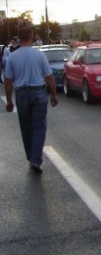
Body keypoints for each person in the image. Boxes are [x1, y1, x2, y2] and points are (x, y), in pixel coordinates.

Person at [4, 26, 58, 174]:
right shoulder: (39, 55)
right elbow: (49, 77)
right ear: (32, 36)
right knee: (39, 127)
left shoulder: (13, 57)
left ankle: (31, 156)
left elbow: (8, 81)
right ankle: (35, 158)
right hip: (39, 92)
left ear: (19, 38)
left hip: (21, 94)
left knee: (26, 127)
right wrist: (53, 95)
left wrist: (9, 101)